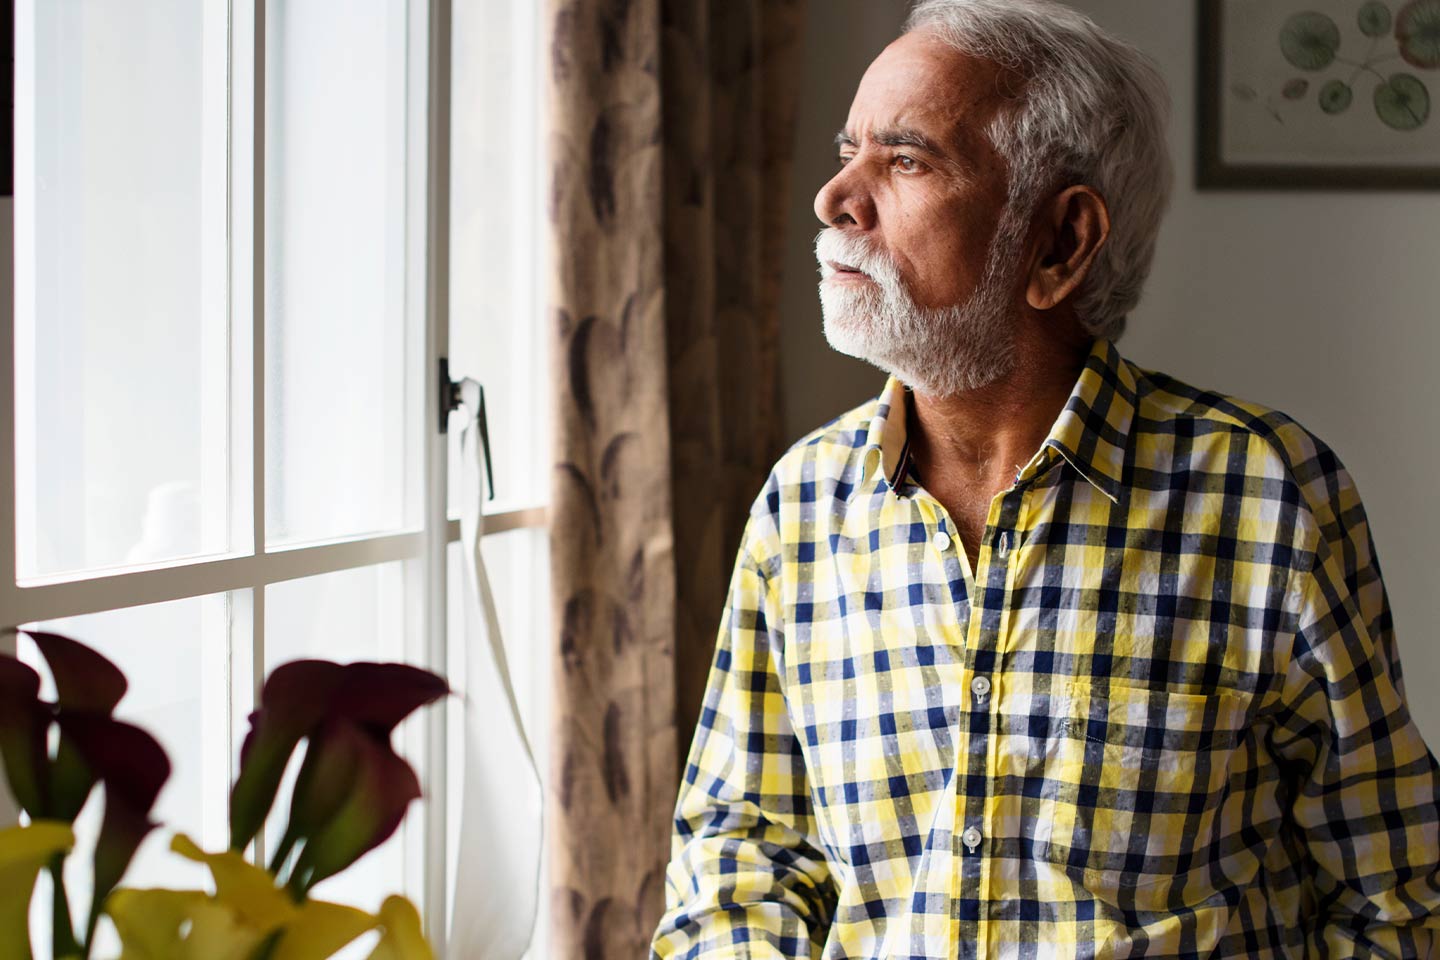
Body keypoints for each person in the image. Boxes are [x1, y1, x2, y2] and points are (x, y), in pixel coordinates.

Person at [649, 0, 1440, 956]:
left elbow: (1397, 897)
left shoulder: (1268, 495)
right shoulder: (804, 503)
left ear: (1060, 243)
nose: (834, 198)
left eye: (905, 159)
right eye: (846, 149)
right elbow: (743, 859)